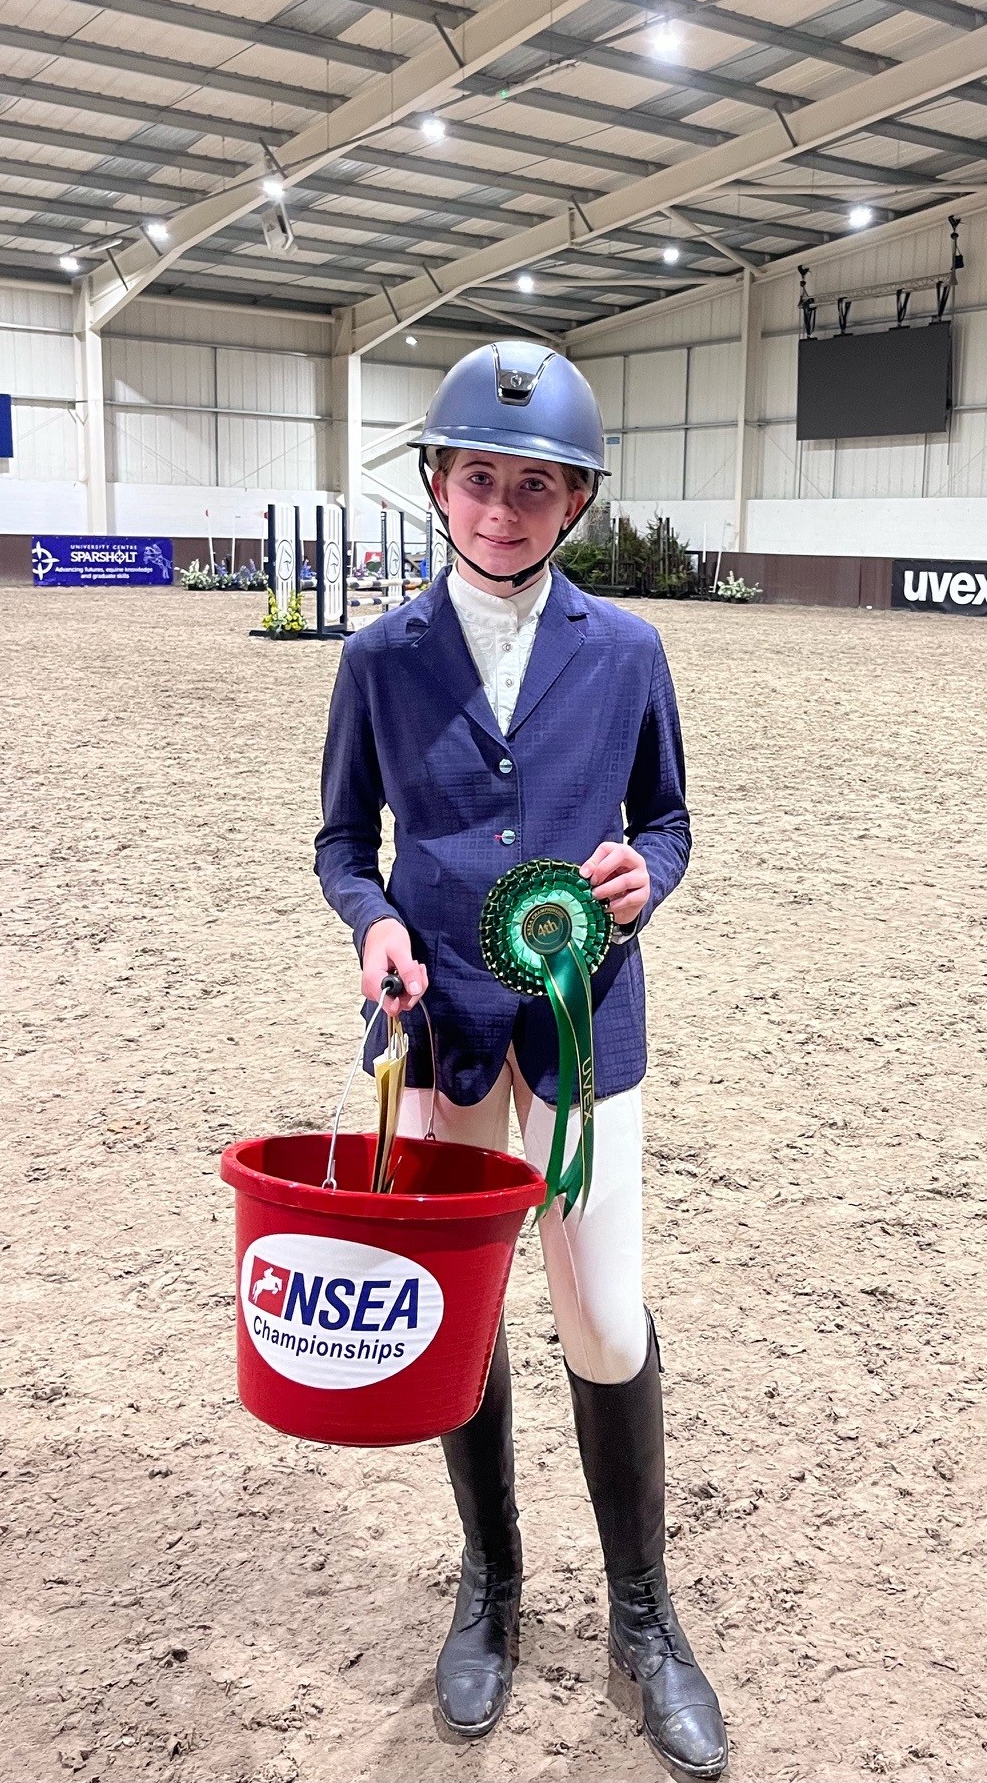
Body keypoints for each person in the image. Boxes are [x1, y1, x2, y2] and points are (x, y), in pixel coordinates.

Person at [314, 342, 727, 1778]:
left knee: (604, 1322)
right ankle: (492, 1587)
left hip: (583, 1031)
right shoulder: (378, 659)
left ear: (574, 504)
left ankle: (644, 1612)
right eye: (480, 478)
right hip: (438, 1040)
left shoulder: (628, 652)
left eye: (534, 485)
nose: (502, 505)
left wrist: (643, 876)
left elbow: (670, 817)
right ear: (439, 487)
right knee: (465, 1324)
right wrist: (371, 926)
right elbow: (339, 844)